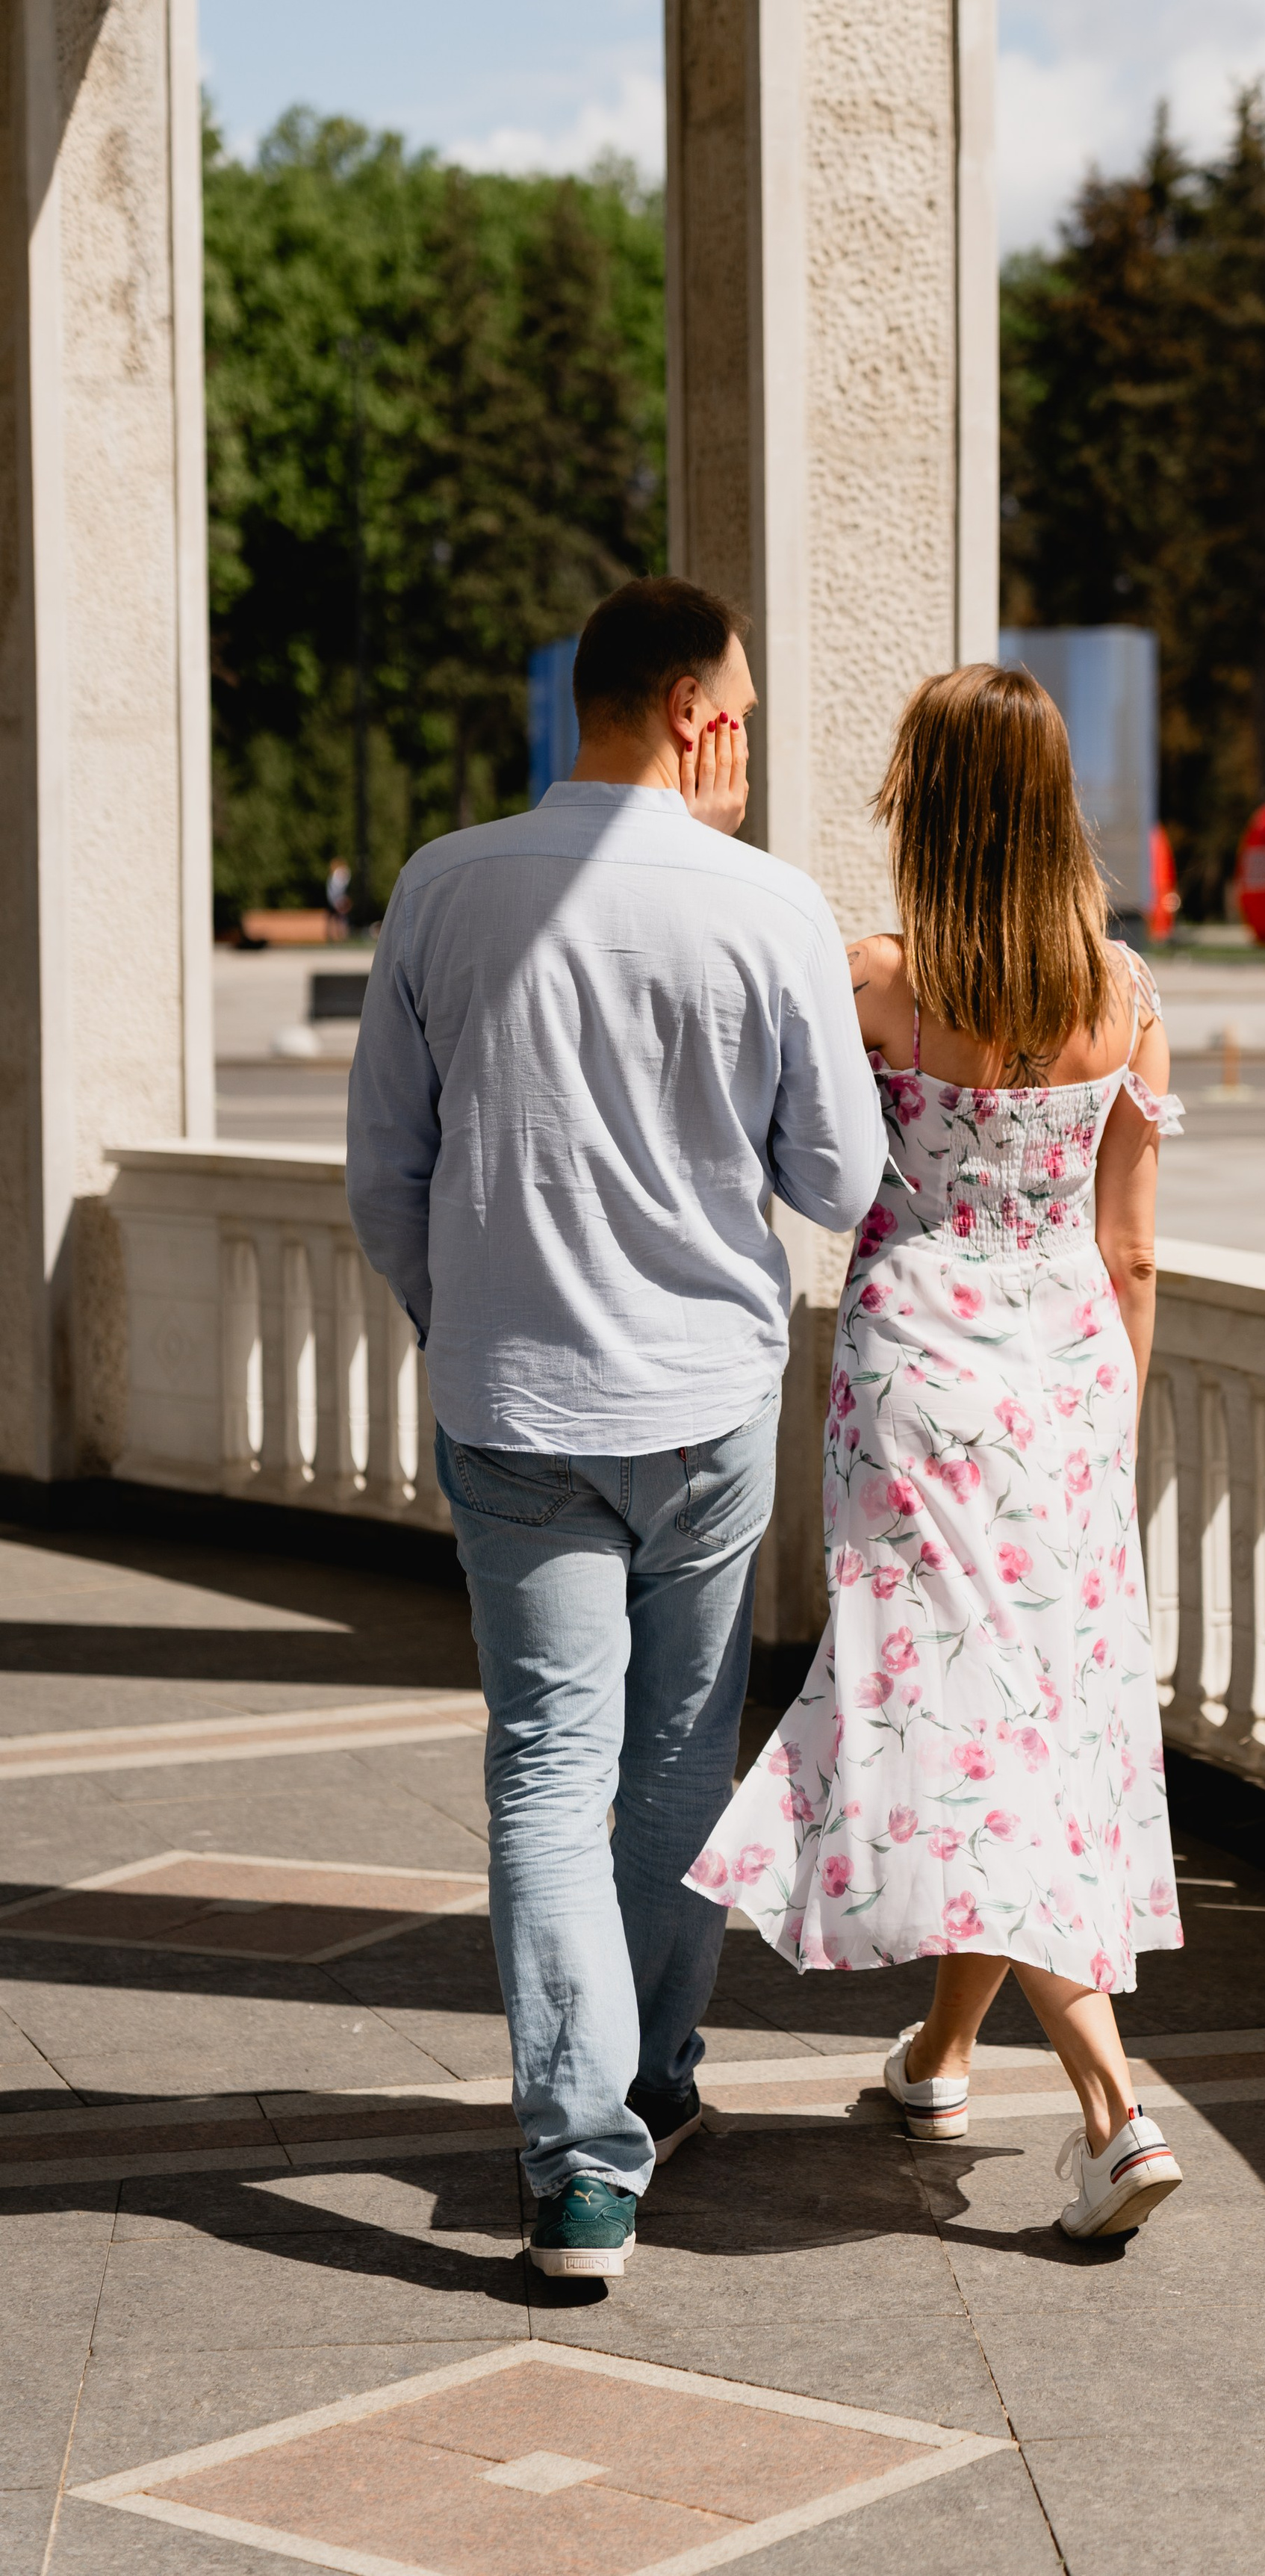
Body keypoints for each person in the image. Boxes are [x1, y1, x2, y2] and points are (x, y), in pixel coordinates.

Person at [346, 577, 886, 2282]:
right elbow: (841, 1180)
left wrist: (468, 1321)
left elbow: (385, 1174)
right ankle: (649, 2079)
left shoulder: (444, 884)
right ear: (689, 710)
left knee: (544, 1766)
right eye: (737, 706)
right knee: (669, 1762)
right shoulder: (771, 906)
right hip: (707, 1400)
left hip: (513, 1406)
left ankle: (582, 2170)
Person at [687, 662, 1188, 2242]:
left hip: (912, 1376)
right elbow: (1131, 1255)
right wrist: (1107, 1429)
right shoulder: (1126, 996)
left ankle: (1111, 2109)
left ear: (929, 805)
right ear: (1054, 809)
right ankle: (941, 2055)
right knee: (1013, 1713)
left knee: (966, 1716)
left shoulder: (877, 986)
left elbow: (823, 1181)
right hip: (1062, 1390)